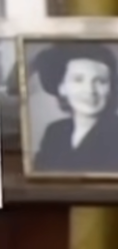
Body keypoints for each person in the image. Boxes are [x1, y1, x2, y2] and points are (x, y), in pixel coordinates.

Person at [31, 42, 118, 172]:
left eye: (100, 81)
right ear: (62, 87)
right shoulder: (55, 132)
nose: (90, 90)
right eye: (78, 80)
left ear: (111, 88)